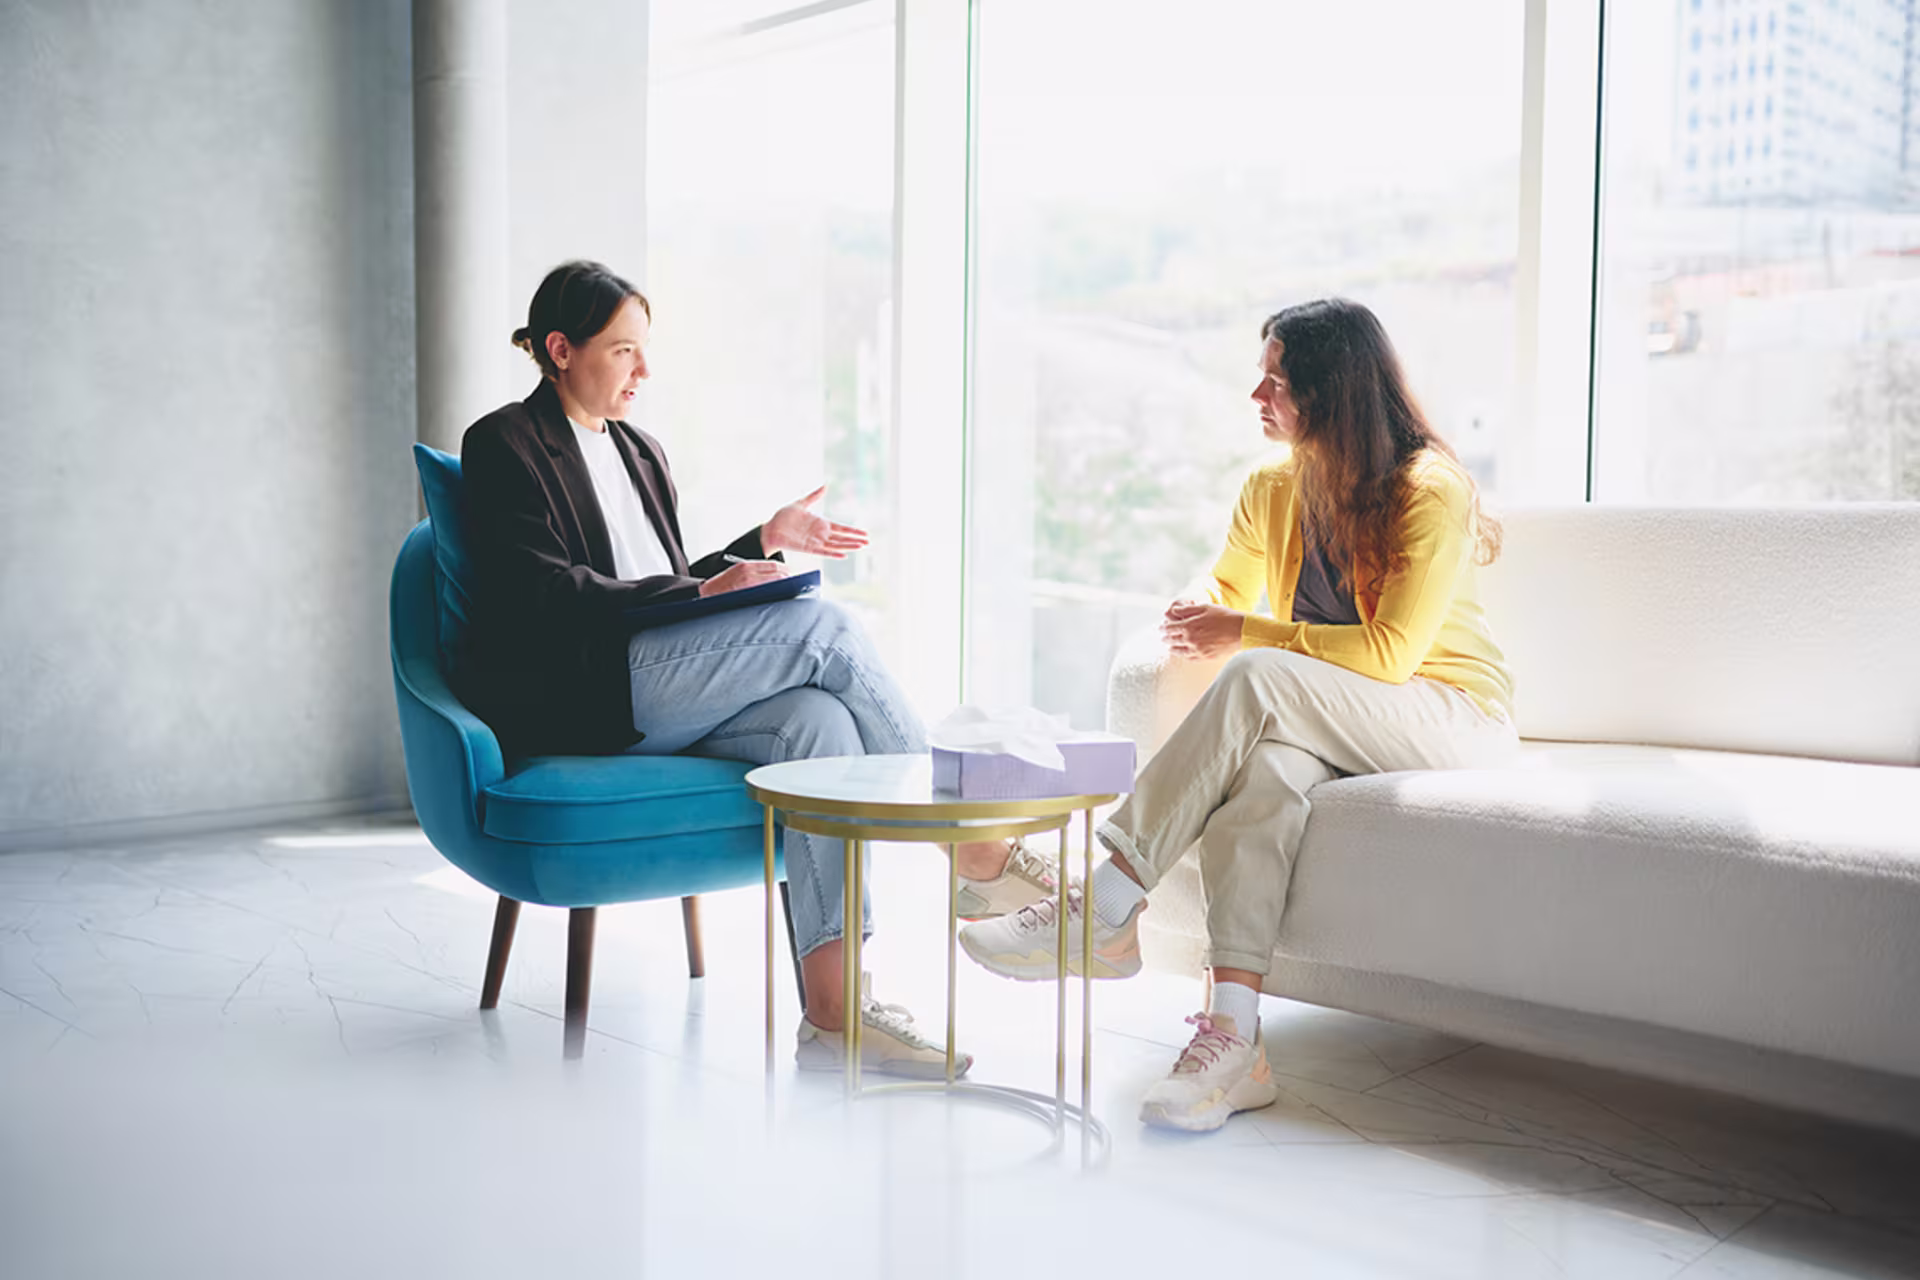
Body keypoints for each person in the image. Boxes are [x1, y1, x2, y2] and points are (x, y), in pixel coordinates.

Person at [457, 260, 1062, 1076]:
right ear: (561, 350)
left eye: (644, 350)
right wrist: (705, 586)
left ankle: (836, 1012)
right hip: (586, 691)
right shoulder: (504, 442)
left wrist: (761, 543)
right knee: (829, 631)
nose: (644, 370)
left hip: (659, 683)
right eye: (624, 350)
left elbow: (662, 577)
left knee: (820, 726)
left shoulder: (640, 450)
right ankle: (972, 848)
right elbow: (545, 592)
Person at [958, 298, 1519, 1130]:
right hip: (1334, 714)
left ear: (1332, 395)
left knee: (1257, 672)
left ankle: (1106, 901)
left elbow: (1391, 655)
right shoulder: (1272, 485)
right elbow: (1228, 586)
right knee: (1263, 783)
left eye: (1278, 382)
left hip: (1447, 714)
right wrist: (1201, 608)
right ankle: (1234, 1043)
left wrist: (1245, 631)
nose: (1258, 396)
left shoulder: (1428, 491)